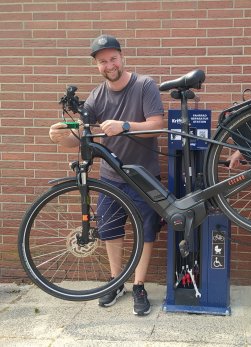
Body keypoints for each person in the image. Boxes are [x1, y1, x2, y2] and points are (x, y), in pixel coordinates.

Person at [49, 34, 165, 316]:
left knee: (145, 233)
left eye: (113, 58)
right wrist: (60, 136)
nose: (109, 65)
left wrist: (125, 125)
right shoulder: (95, 97)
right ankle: (116, 281)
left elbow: (157, 125)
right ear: (97, 66)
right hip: (111, 179)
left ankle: (138, 285)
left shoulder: (144, 85)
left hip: (143, 176)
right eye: (102, 61)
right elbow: (80, 137)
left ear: (121, 58)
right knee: (111, 233)